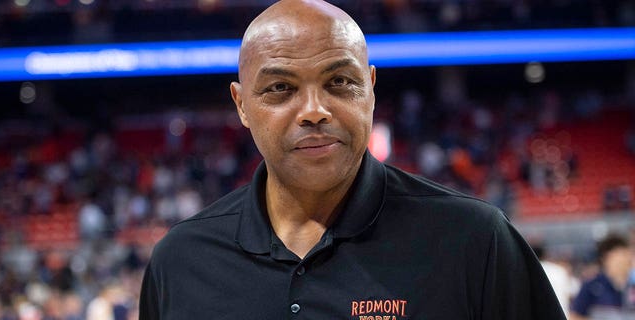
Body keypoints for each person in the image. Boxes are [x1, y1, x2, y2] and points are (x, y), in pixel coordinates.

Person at [139, 0, 565, 319]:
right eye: (279, 89)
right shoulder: (180, 260)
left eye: (339, 81)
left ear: (371, 88)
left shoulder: (475, 240)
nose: (313, 110)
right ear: (241, 105)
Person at [571, 234, 634, 320]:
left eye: (628, 254)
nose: (627, 259)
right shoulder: (591, 287)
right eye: (622, 255)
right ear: (606, 257)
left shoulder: (631, 285)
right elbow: (575, 316)